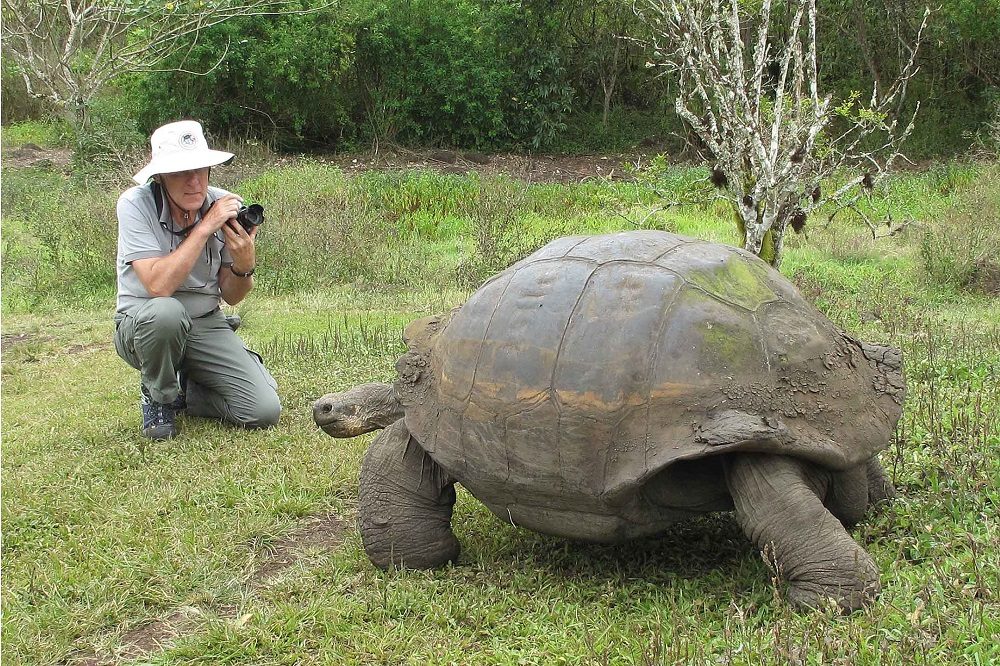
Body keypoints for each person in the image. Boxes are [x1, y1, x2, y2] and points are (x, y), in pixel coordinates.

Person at [114, 120, 281, 439]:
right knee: (167, 313)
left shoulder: (224, 204)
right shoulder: (135, 204)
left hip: (204, 320)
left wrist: (244, 264)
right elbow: (157, 286)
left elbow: (232, 296)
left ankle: (186, 390)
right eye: (180, 172)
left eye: (201, 170)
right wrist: (205, 227)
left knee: (263, 410)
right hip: (145, 323)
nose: (194, 182)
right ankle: (158, 395)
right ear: (160, 176)